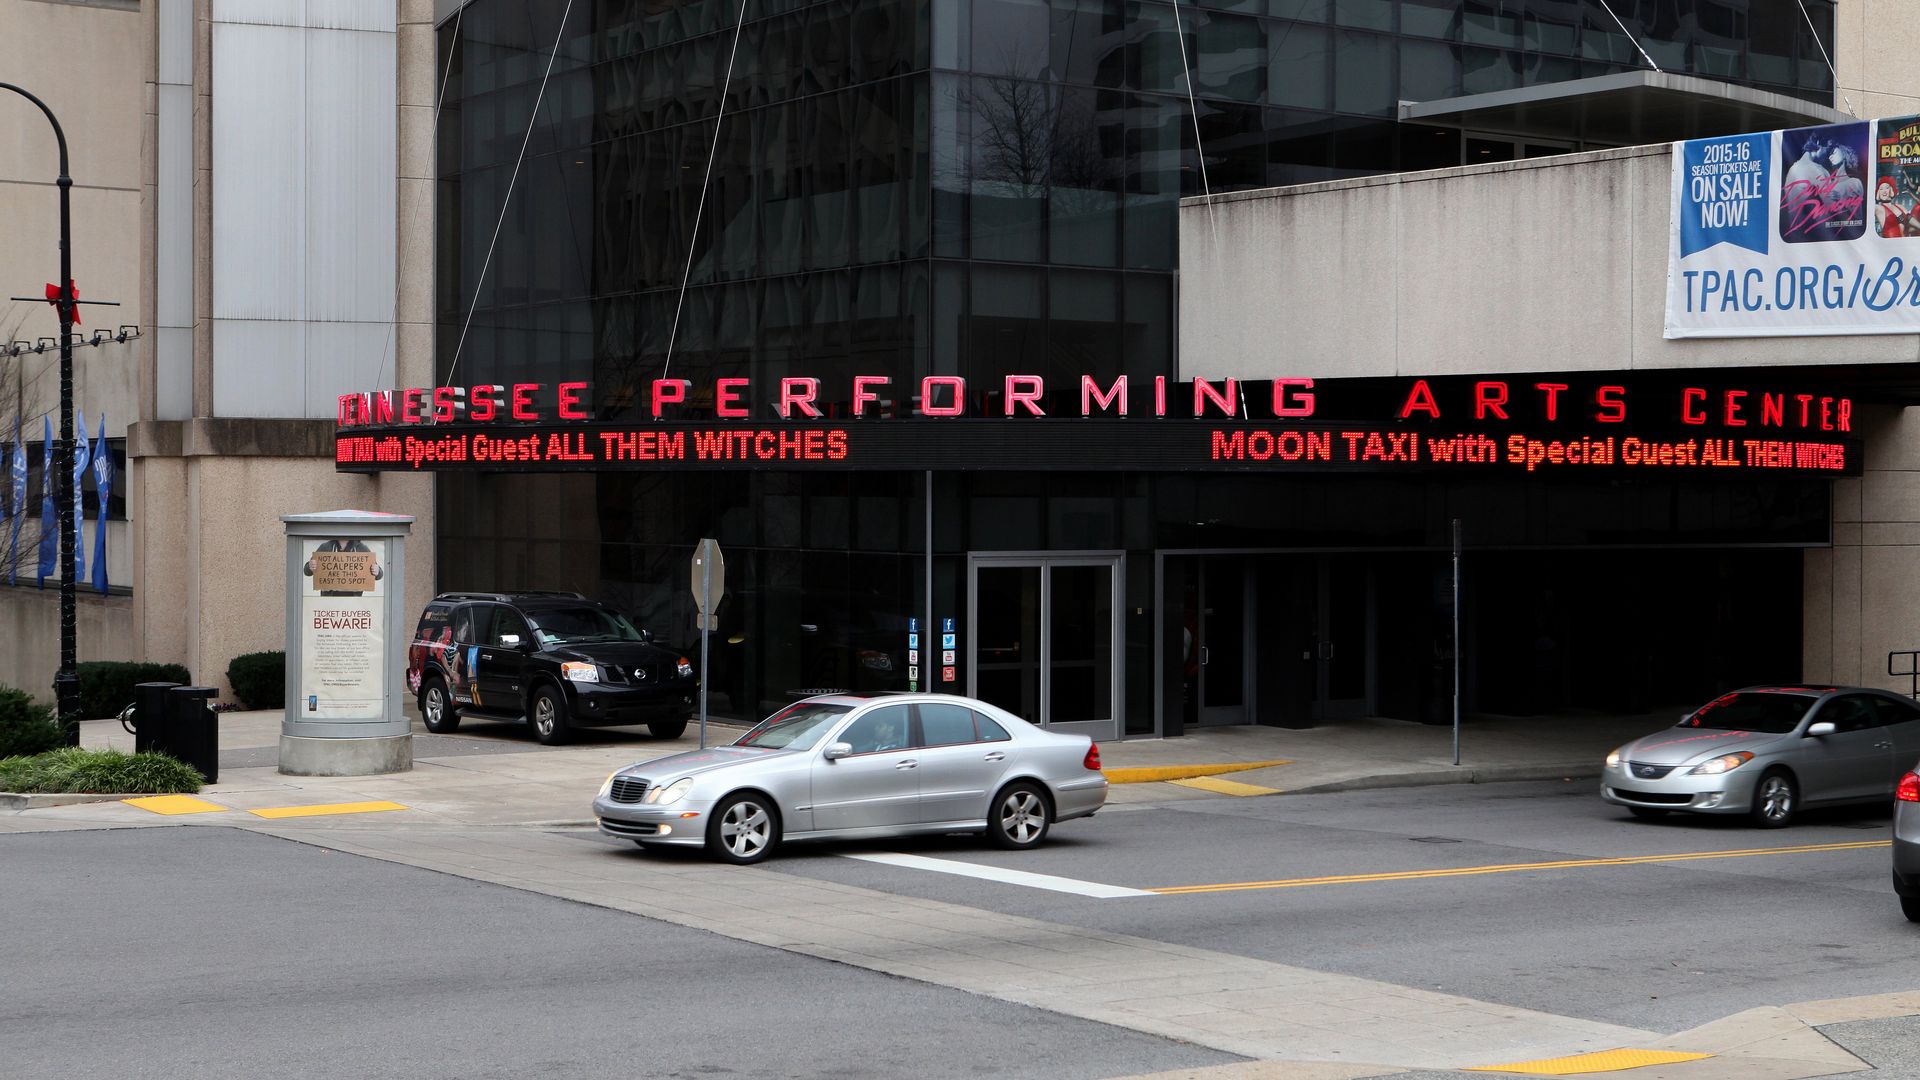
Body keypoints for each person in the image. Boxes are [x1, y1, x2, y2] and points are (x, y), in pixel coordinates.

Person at [303, 537, 384, 597]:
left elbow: (379, 575)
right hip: (329, 601)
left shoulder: (361, 548)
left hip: (354, 601)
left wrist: (377, 571)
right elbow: (307, 571)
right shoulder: (326, 547)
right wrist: (310, 566)